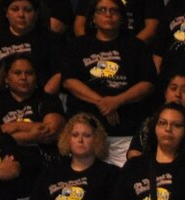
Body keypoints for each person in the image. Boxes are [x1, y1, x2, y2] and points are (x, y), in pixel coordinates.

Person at [66, 0, 156, 166]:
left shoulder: (136, 46)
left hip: (127, 135)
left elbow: (148, 84)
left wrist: (117, 101)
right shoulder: (78, 45)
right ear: (93, 17)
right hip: (87, 135)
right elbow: (69, 81)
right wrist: (102, 103)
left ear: (122, 18)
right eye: (102, 10)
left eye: (114, 11)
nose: (108, 14)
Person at [0, 0, 64, 95]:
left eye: (27, 10)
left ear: (36, 13)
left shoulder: (50, 39)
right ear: (6, 12)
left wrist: (45, 98)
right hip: (1, 101)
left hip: (40, 100)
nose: (21, 15)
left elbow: (59, 73)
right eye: (15, 9)